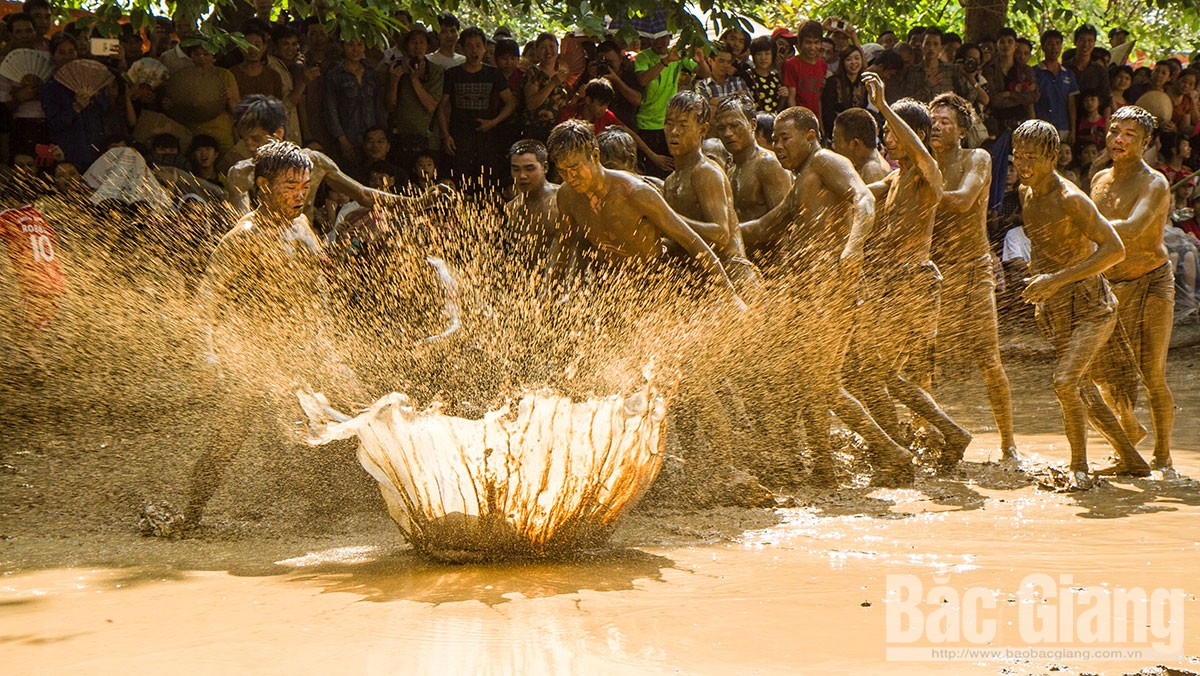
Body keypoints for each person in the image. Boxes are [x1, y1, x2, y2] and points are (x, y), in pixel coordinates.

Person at [187, 140, 361, 527]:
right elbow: (208, 297)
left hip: (307, 345)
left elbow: (315, 284)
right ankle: (190, 514)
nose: (300, 196)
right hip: (255, 354)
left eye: (304, 186)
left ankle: (339, 506)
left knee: (356, 409)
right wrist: (209, 353)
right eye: (289, 187)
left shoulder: (299, 222)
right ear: (263, 186)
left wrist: (326, 334)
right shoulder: (244, 236)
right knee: (228, 439)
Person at [738, 105, 913, 486]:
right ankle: (825, 468)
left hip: (831, 289)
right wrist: (711, 232)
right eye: (777, 139)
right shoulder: (803, 177)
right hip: (809, 293)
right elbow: (766, 225)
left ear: (810, 136)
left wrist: (854, 245)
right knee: (810, 383)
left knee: (824, 385)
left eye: (785, 139)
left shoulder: (826, 161)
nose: (778, 147)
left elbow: (863, 198)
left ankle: (892, 452)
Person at [1010, 118, 1150, 487]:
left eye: (1031, 158)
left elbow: (1115, 250)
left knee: (1065, 382)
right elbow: (1043, 248)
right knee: (1083, 388)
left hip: (1091, 304)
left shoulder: (1070, 198)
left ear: (1052, 157)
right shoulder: (1026, 193)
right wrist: (1040, 289)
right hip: (1056, 306)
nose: (1022, 165)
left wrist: (1054, 280)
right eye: (1017, 156)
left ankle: (1079, 468)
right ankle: (1133, 461)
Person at [843, 72, 973, 467]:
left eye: (892, 132)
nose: (886, 138)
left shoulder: (925, 171)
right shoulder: (896, 177)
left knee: (877, 372)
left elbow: (920, 152)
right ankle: (929, 437)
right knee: (871, 372)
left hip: (913, 283)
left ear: (915, 134)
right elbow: (859, 195)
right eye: (884, 130)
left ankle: (909, 445)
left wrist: (883, 103)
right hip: (890, 285)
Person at [542, 119, 743, 306]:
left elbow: (689, 239)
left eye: (575, 168)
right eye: (562, 171)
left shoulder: (635, 192)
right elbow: (563, 242)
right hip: (610, 285)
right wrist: (548, 290)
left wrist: (730, 294)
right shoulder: (567, 196)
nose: (570, 177)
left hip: (657, 279)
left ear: (595, 156)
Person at [923, 92, 1018, 461]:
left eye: (945, 121)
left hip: (974, 268)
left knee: (988, 358)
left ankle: (1009, 443)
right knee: (923, 357)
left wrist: (918, 180)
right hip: (933, 272)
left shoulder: (977, 157)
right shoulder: (925, 162)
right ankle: (927, 435)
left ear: (961, 129)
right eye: (933, 119)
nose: (937, 126)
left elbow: (962, 200)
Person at [1088, 106, 1175, 471]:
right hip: (1111, 282)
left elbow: (1134, 227)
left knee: (1151, 370)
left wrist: (1079, 220)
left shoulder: (1155, 183)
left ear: (1146, 143)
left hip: (1152, 281)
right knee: (1097, 369)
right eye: (1114, 132)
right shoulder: (1098, 179)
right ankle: (1129, 432)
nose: (1119, 140)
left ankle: (1163, 455)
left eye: (1129, 135)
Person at [226, 95, 446, 225]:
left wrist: (416, 203)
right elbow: (241, 224)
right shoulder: (240, 173)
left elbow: (362, 194)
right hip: (264, 258)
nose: (249, 145)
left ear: (279, 133)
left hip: (305, 251)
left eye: (256, 138)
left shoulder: (314, 162)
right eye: (245, 139)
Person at [662, 90, 759, 292]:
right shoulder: (671, 181)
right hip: (703, 280)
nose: (674, 131)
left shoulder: (705, 172)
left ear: (703, 129)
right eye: (669, 123)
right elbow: (679, 237)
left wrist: (665, 218)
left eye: (682, 125)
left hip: (734, 280)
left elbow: (720, 234)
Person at [438, 27, 517, 189]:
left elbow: (511, 103)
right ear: (462, 48)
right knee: (459, 181)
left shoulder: (493, 74)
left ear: (485, 48)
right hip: (459, 135)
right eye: (469, 46)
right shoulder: (452, 74)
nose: (474, 51)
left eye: (478, 46)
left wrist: (494, 122)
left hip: (487, 137)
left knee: (486, 182)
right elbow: (442, 107)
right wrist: (446, 135)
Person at [634, 33, 708, 177]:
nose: (660, 41)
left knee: (672, 170)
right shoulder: (643, 57)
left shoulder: (678, 55)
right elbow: (643, 80)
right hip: (646, 124)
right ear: (650, 38)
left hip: (670, 124)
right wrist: (666, 61)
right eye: (656, 37)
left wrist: (701, 62)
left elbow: (705, 74)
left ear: (669, 37)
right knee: (650, 172)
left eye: (663, 37)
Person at [713, 94, 792, 221]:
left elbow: (783, 222)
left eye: (734, 125)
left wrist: (733, 235)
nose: (727, 133)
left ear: (753, 125)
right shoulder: (731, 171)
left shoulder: (768, 164)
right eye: (721, 128)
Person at [504, 139, 560, 266]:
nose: (522, 176)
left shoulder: (562, 200)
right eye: (516, 169)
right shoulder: (511, 208)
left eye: (529, 169)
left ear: (545, 167)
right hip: (526, 279)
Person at [981, 27, 1038, 134]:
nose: (1006, 45)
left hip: (1021, 123)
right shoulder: (989, 70)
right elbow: (993, 100)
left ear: (1015, 45)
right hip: (996, 124)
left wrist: (1007, 94)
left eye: (1009, 42)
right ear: (997, 46)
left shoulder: (1025, 70)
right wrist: (1020, 96)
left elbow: (1034, 96)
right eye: (1002, 42)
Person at [1034, 29, 1079, 142]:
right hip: (1041, 128)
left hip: (1063, 127)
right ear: (1043, 47)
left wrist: (1073, 130)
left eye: (1057, 43)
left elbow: (1071, 104)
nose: (1054, 47)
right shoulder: (1034, 72)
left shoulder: (1068, 74)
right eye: (1050, 43)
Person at [831, 107, 892, 183]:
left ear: (855, 144)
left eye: (836, 141)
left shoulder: (871, 171)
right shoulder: (866, 165)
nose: (833, 146)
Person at [820, 45, 868, 138]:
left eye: (857, 58)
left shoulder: (864, 83)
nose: (853, 62)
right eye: (849, 59)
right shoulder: (832, 82)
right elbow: (827, 111)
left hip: (858, 131)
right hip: (837, 130)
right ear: (842, 62)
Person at [782, 21, 826, 115]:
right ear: (800, 43)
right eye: (808, 42)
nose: (812, 47)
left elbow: (819, 98)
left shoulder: (822, 65)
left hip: (815, 116)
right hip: (799, 116)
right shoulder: (791, 64)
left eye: (816, 42)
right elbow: (791, 98)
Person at [746, 36, 785, 114]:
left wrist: (784, 96)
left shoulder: (775, 77)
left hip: (772, 121)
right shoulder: (747, 76)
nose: (763, 58)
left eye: (767, 54)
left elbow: (779, 106)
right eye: (759, 54)